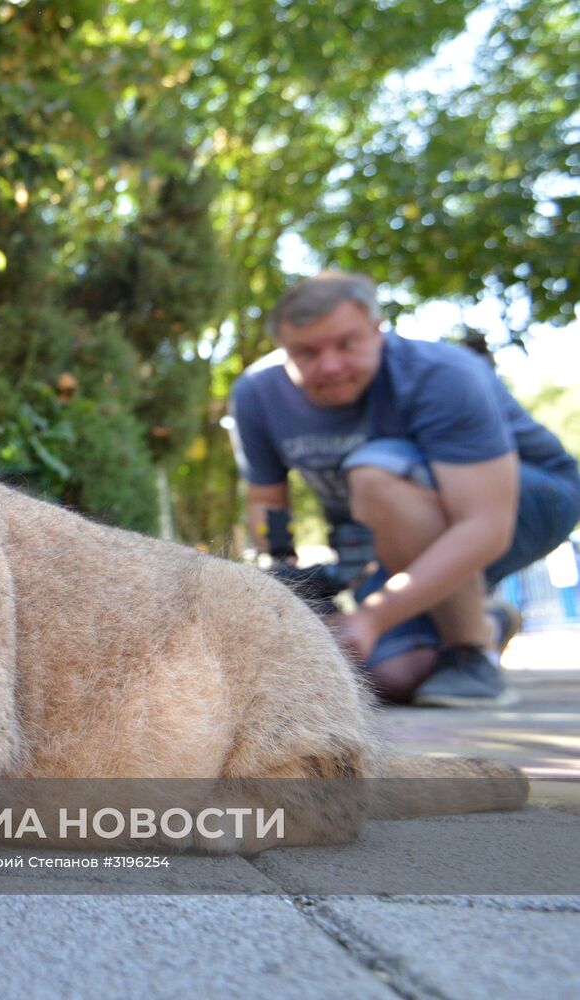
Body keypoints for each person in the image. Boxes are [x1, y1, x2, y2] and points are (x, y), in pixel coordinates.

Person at [228, 271, 580, 707]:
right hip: (391, 532)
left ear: (378, 330)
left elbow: (487, 525)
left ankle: (471, 651)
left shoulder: (441, 374)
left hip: (529, 503)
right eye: (307, 352)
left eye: (346, 343)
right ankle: (486, 621)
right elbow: (266, 501)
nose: (330, 365)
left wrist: (373, 617)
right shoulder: (257, 394)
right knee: (389, 675)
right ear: (283, 348)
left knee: (374, 473)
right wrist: (291, 584)